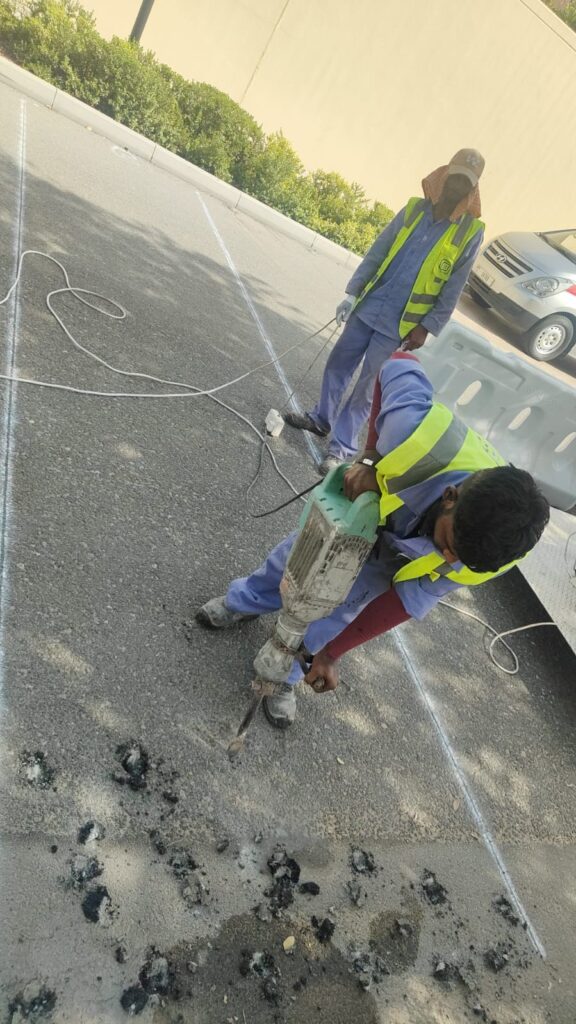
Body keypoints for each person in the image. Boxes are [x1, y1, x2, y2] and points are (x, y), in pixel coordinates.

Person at [196, 351, 549, 730]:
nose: (448, 557)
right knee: (298, 562)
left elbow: (402, 602)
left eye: (458, 557)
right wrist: (370, 458)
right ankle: (244, 601)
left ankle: (290, 672)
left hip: (397, 554)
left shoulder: (489, 554)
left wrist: (332, 655)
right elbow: (398, 360)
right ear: (450, 497)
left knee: (343, 605)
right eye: (449, 543)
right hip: (367, 505)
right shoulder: (415, 431)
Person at [284, 148, 486, 476]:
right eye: (455, 178)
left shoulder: (469, 233)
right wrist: (353, 292)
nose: (457, 186)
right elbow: (380, 250)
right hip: (371, 304)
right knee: (338, 363)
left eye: (466, 183)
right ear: (444, 175)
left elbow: (454, 285)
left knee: (367, 388)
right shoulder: (414, 209)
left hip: (400, 324)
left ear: (472, 190)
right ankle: (321, 419)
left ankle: (340, 448)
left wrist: (427, 326)